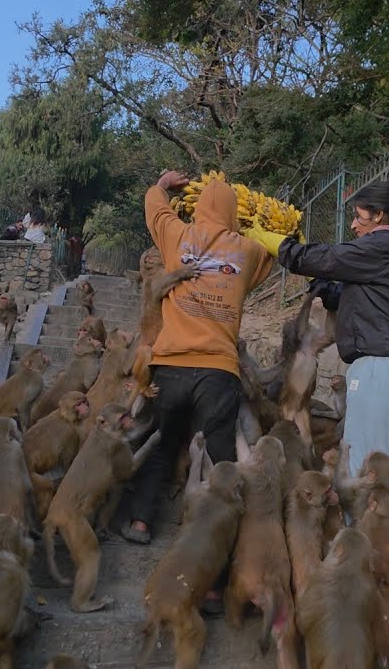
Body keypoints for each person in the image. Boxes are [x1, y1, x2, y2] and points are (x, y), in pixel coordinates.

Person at [242, 179, 389, 503]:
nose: (354, 225)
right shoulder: (381, 256)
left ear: (379, 216)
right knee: (362, 462)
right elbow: (339, 294)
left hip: (382, 368)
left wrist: (279, 244)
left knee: (374, 469)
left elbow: (326, 258)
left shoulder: (382, 245)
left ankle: (380, 546)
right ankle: (364, 542)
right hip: (379, 367)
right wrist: (314, 275)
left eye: (358, 217)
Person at [123, 170, 272, 553]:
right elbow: (273, 255)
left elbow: (155, 211)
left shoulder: (176, 236)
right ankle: (219, 554)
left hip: (170, 363)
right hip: (219, 369)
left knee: (162, 441)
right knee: (221, 455)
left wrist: (160, 185)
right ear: (233, 212)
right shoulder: (248, 250)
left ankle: (140, 520)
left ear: (200, 207)